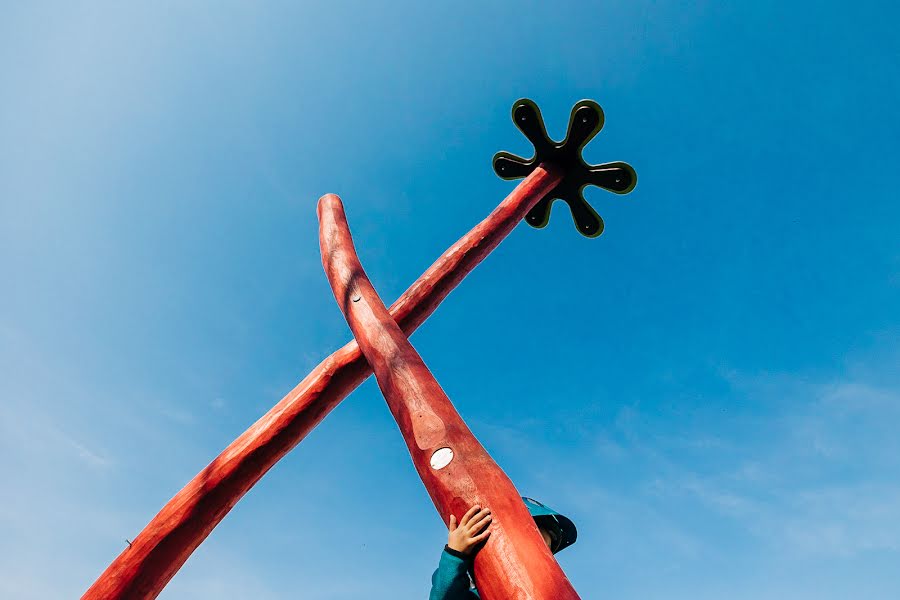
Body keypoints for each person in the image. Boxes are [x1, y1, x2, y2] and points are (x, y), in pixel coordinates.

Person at [428, 497, 577, 599]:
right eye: (531, 539)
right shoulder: (473, 588)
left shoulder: (550, 592)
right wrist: (455, 554)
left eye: (545, 550)